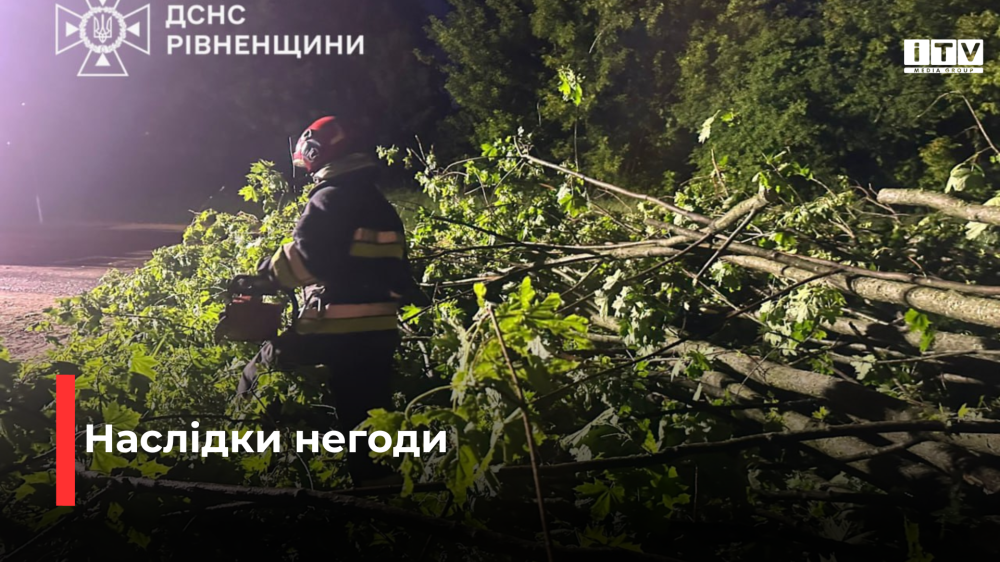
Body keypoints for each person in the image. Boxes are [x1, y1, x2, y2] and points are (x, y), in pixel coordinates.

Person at [253, 115, 416, 487]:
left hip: (335, 329)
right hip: (379, 331)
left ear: (315, 152)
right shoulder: (379, 204)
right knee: (368, 414)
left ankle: (260, 460)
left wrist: (265, 275)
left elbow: (308, 258)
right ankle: (380, 488)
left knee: (263, 371)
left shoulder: (331, 197)